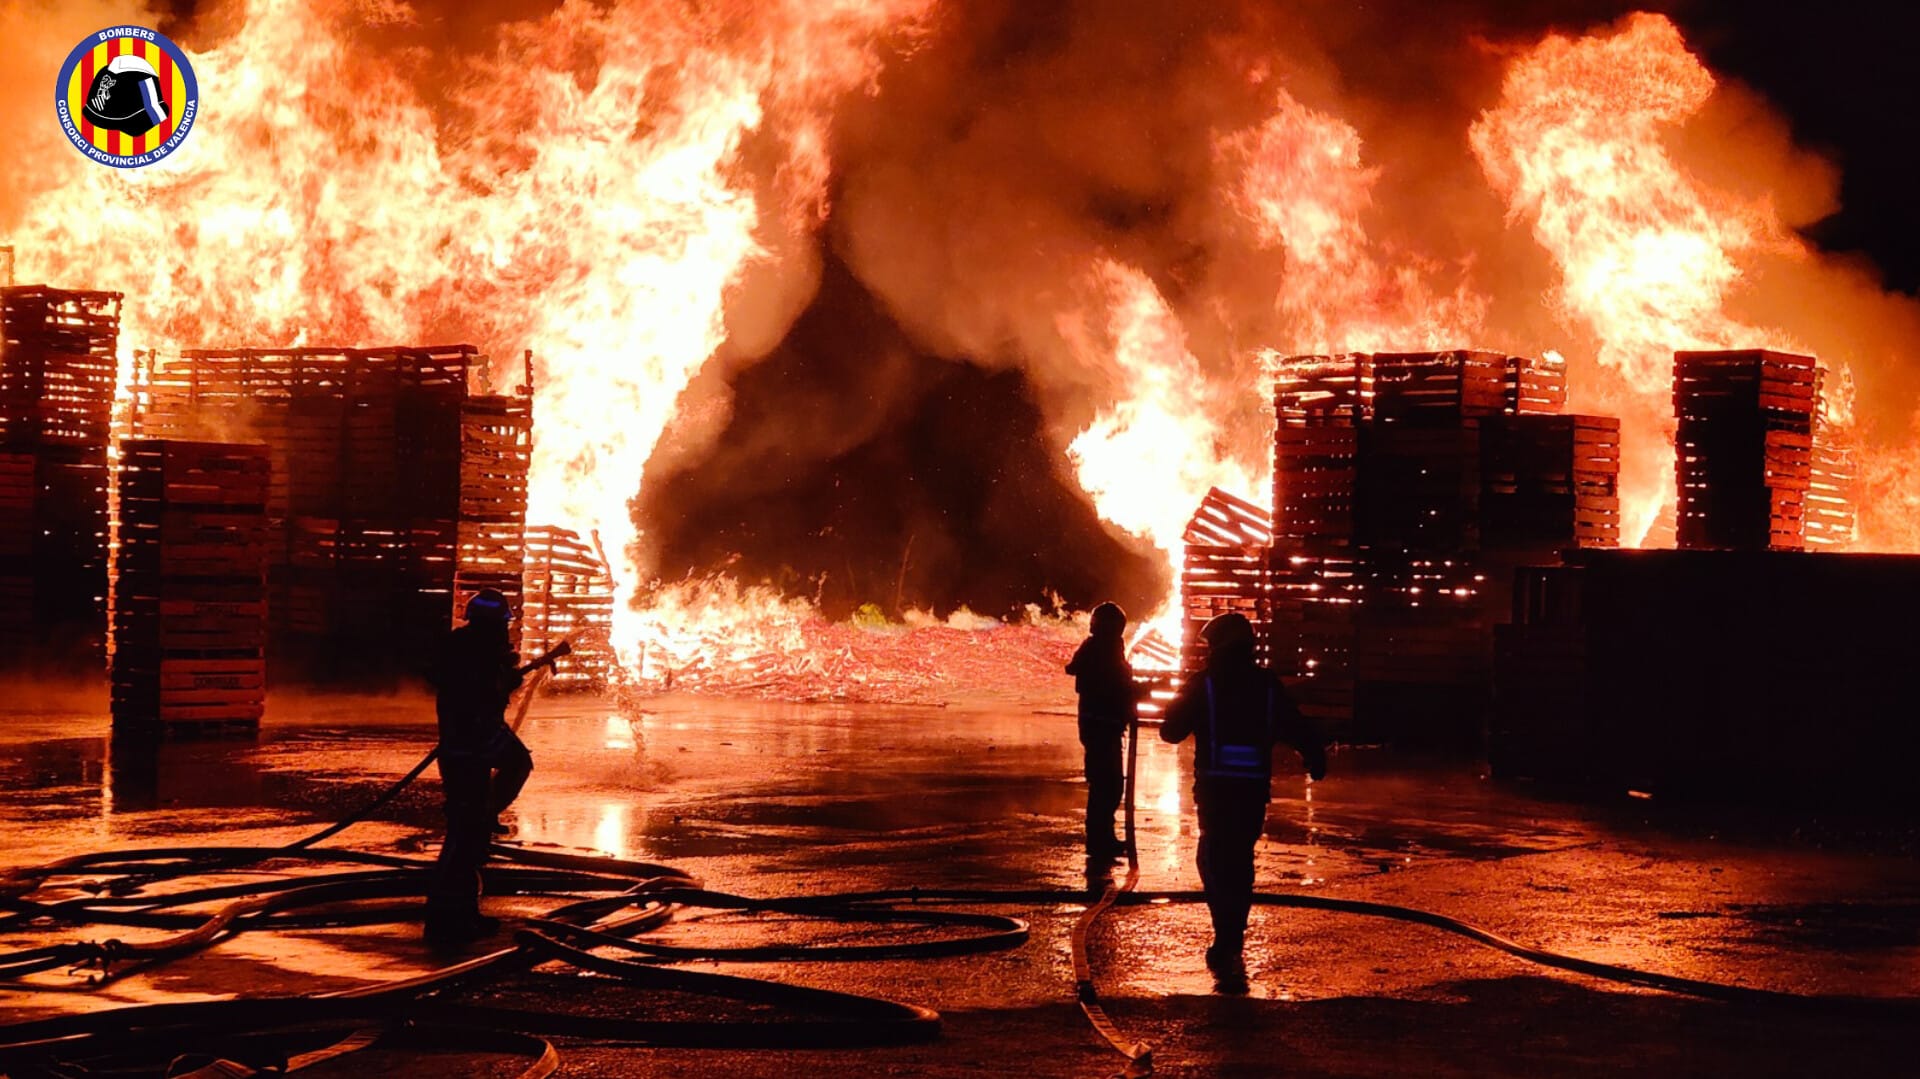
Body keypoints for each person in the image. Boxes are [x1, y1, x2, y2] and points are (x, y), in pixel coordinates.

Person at [1160, 612, 1326, 985]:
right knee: (1239, 863)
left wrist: (1174, 699)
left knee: (1214, 862)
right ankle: (1232, 938)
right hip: (1251, 792)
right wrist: (1315, 757)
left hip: (1217, 792)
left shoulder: (1205, 685)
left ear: (1218, 647)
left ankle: (1227, 938)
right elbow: (1296, 724)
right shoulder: (1265, 686)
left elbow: (1170, 731)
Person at [423, 588, 529, 947]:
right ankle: (442, 919)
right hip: (467, 749)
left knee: (470, 836)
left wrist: (503, 680)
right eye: (502, 625)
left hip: (474, 746)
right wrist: (502, 682)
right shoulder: (471, 653)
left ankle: (463, 915)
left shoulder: (468, 649)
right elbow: (476, 697)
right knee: (463, 839)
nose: (505, 632)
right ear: (492, 625)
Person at [1066, 602, 1137, 861]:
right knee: (1106, 786)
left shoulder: (1101, 649)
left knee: (1107, 785)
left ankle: (1103, 837)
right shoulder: (1100, 650)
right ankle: (1099, 840)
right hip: (1101, 728)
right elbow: (1114, 683)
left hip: (1103, 727)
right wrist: (1134, 689)